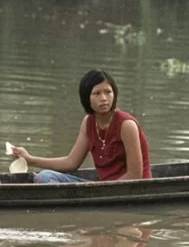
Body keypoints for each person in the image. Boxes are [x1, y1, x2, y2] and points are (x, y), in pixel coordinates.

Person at [10, 69, 151, 183]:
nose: (103, 98)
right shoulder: (89, 123)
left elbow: (135, 176)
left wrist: (101, 191)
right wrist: (30, 159)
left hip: (126, 188)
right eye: (96, 93)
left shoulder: (126, 125)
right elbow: (71, 162)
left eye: (108, 92)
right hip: (103, 187)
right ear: (86, 98)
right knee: (44, 177)